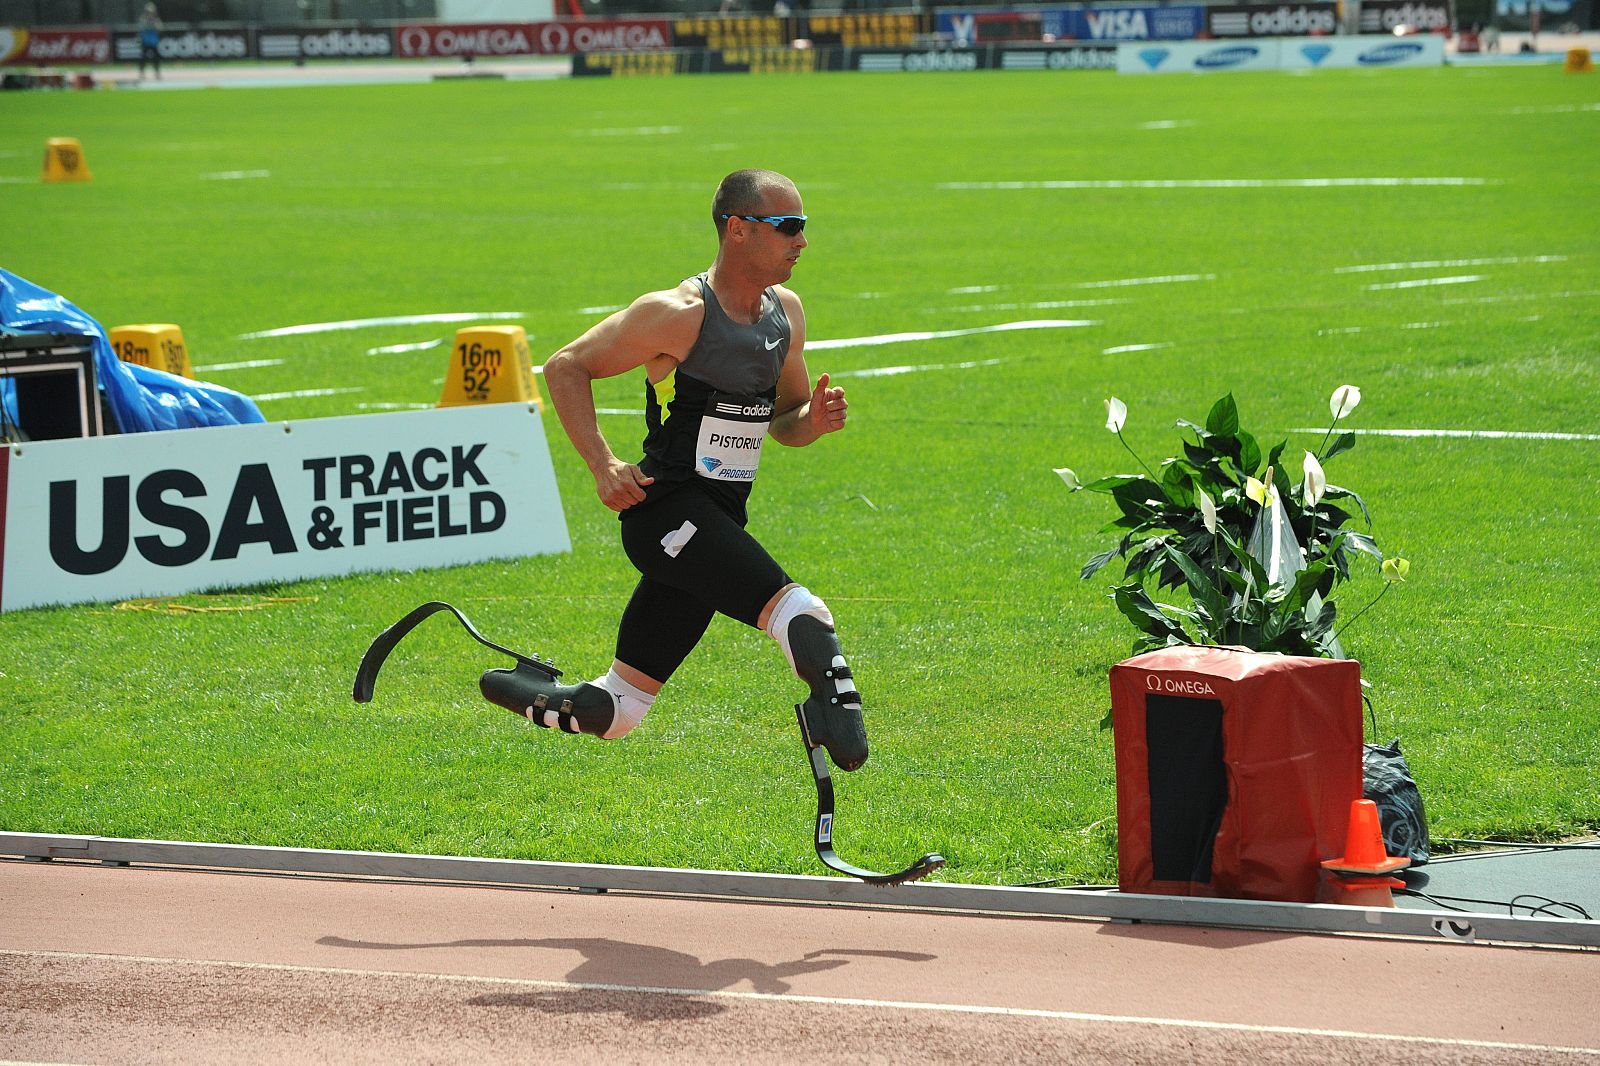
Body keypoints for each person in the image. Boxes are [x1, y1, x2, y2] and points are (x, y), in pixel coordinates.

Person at [485, 168, 869, 772]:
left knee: (619, 711)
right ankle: (836, 724)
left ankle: (519, 687)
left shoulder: (786, 314)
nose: (802, 241)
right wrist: (602, 463)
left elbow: (785, 419)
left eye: (804, 226)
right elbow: (566, 367)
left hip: (718, 522)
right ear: (738, 230)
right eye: (788, 226)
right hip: (664, 514)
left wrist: (812, 421)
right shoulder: (677, 314)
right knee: (802, 613)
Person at [137, 3, 162, 80]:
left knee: (156, 58)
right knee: (143, 58)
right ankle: (142, 73)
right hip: (146, 41)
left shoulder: (156, 19)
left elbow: (160, 28)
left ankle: (157, 72)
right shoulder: (143, 19)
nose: (150, 13)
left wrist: (154, 22)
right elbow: (141, 28)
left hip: (154, 42)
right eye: (148, 12)